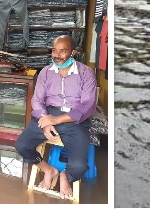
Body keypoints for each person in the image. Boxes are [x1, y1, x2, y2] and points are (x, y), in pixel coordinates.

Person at [14, 35, 97, 199]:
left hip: (74, 119)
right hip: (47, 115)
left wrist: (57, 120)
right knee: (22, 146)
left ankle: (66, 175)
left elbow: (88, 105)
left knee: (79, 166)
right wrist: (45, 120)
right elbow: (37, 100)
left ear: (73, 52)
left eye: (63, 51)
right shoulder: (45, 72)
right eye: (54, 50)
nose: (57, 55)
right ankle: (49, 170)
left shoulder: (86, 73)